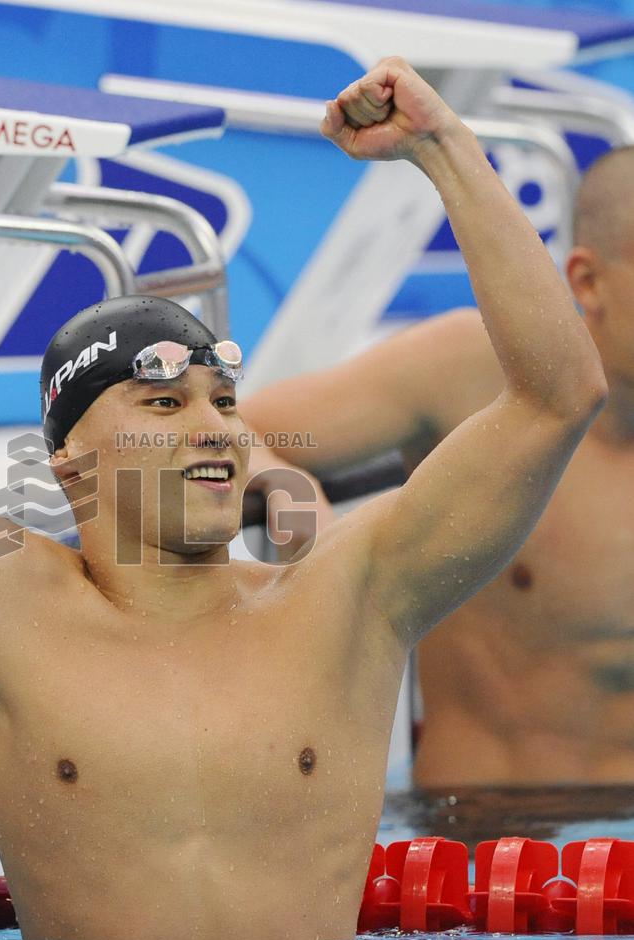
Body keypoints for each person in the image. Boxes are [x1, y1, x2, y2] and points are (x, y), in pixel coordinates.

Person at [0, 59, 606, 940]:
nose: (217, 428)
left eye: (224, 403)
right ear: (68, 462)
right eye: (163, 404)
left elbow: (558, 396)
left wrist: (442, 147)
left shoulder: (347, 597)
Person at [241, 145, 634, 790]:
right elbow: (234, 429)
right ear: (589, 281)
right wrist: (296, 498)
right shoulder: (475, 372)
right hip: (483, 833)